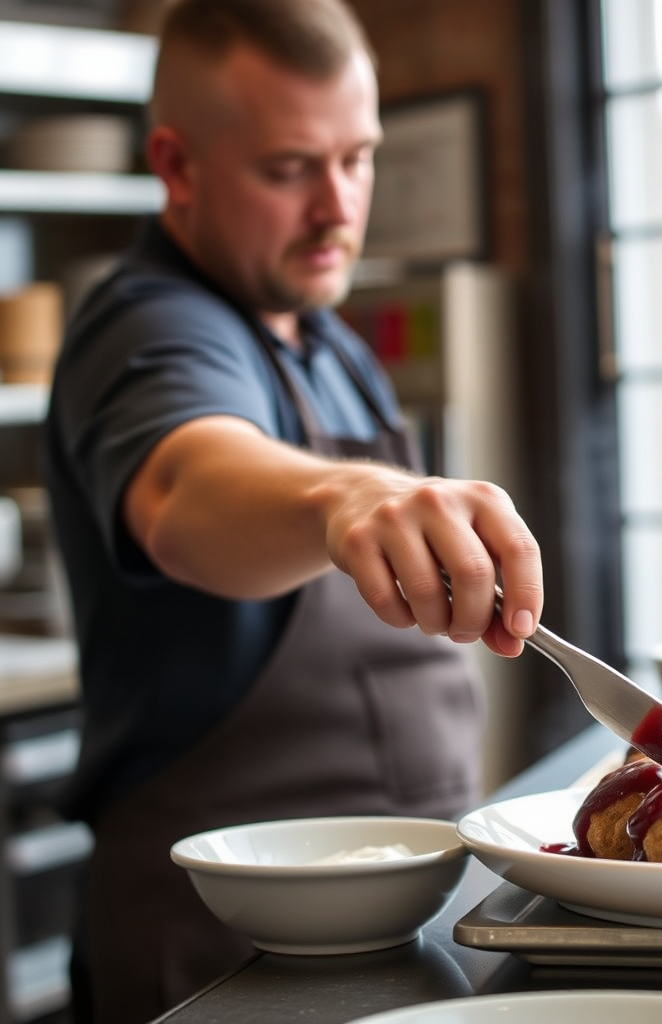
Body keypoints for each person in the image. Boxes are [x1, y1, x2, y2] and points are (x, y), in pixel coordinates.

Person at [43, 1, 543, 1021]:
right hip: (221, 958)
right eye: (289, 169)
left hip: (391, 937)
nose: (338, 208)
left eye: (356, 159)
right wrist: (347, 493)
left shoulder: (325, 340)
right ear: (177, 167)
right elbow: (188, 485)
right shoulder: (150, 323)